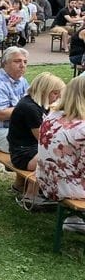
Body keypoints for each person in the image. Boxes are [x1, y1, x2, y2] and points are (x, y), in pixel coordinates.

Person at [7, 72, 65, 198]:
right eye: (55, 93)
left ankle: (37, 191)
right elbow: (43, 140)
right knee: (59, 157)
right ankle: (31, 196)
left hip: (31, 149)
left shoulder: (38, 104)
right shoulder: (29, 108)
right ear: (44, 91)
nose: (57, 97)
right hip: (23, 154)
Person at [35, 76, 85, 209]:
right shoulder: (82, 127)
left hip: (47, 181)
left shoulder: (52, 117)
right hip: (70, 188)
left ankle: (74, 220)